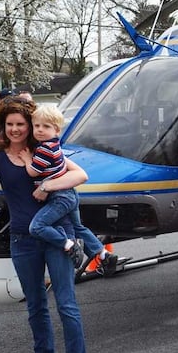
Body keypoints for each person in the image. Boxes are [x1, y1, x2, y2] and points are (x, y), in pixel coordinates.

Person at [0, 95, 89, 353]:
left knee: (66, 305)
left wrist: (47, 185)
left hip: (58, 238)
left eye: (20, 124)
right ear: (3, 127)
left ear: (30, 125)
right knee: (36, 306)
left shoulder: (45, 152)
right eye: (9, 124)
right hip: (23, 242)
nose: (15, 129)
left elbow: (80, 175)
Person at [18, 104, 118, 276]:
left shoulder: (44, 149)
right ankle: (104, 254)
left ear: (56, 130)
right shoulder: (55, 145)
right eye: (37, 126)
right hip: (70, 194)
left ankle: (68, 245)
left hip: (59, 197)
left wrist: (27, 159)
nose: (40, 130)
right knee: (79, 227)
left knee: (37, 226)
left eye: (46, 126)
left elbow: (33, 171)